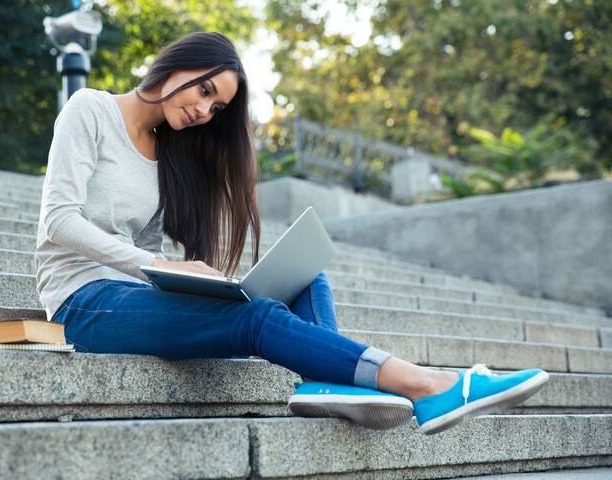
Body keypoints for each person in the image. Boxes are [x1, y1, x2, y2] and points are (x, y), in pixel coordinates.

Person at [35, 31, 548, 435]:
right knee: (259, 319)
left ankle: (327, 384)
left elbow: (145, 251)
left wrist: (193, 282)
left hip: (134, 295)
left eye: (214, 109)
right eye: (205, 90)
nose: (202, 110)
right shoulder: (91, 110)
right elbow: (59, 221)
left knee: (307, 279)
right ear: (180, 63)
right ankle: (430, 383)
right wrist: (163, 267)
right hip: (82, 302)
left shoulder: (169, 153)